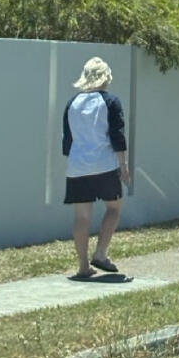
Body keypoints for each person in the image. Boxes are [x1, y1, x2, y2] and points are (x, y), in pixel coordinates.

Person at [62, 56, 130, 279]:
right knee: (114, 208)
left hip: (77, 166)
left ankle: (83, 266)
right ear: (106, 77)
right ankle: (100, 253)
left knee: (81, 217)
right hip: (104, 164)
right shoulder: (110, 102)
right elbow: (117, 135)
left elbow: (67, 140)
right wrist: (123, 164)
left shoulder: (72, 103)